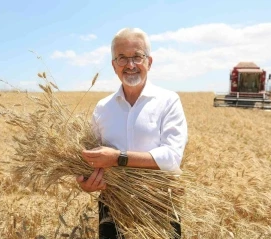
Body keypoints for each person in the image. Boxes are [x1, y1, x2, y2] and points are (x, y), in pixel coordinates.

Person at [76, 27, 188, 239]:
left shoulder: (168, 101)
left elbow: (172, 158)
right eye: (122, 58)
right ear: (113, 65)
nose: (130, 65)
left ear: (149, 62)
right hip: (112, 206)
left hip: (159, 205)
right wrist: (86, 182)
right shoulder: (102, 108)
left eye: (137, 56)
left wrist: (118, 158)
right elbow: (90, 159)